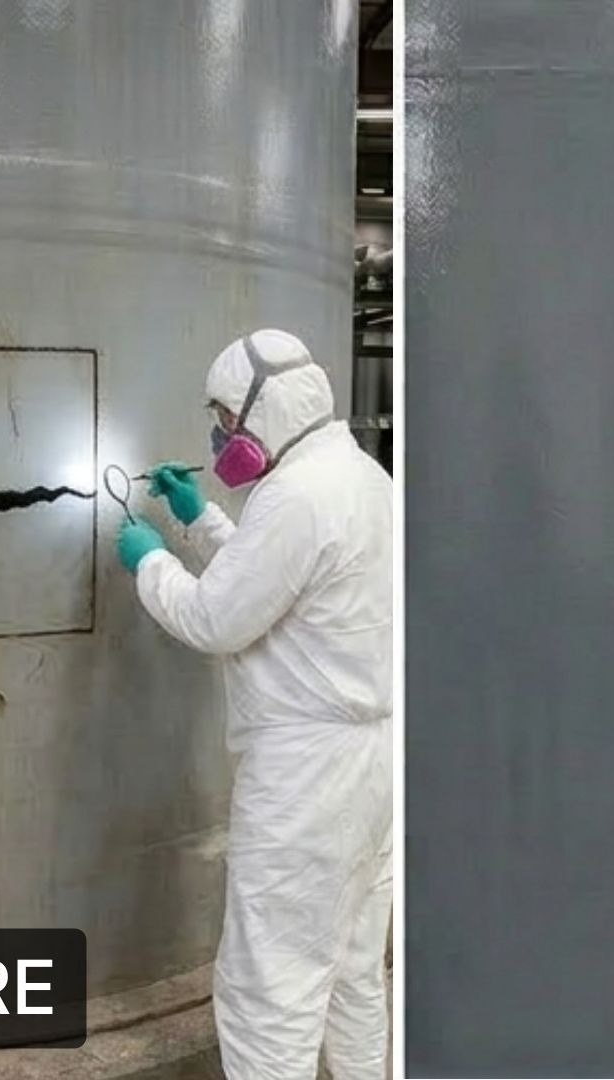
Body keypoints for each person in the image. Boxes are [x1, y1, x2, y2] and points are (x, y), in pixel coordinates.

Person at [115, 328, 393, 1080]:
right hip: (372, 767)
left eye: (225, 418)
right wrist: (199, 519)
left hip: (308, 782)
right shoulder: (357, 478)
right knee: (352, 979)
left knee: (268, 994)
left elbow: (217, 618)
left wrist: (151, 563)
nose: (219, 436)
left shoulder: (297, 495)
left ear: (264, 409)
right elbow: (275, 578)